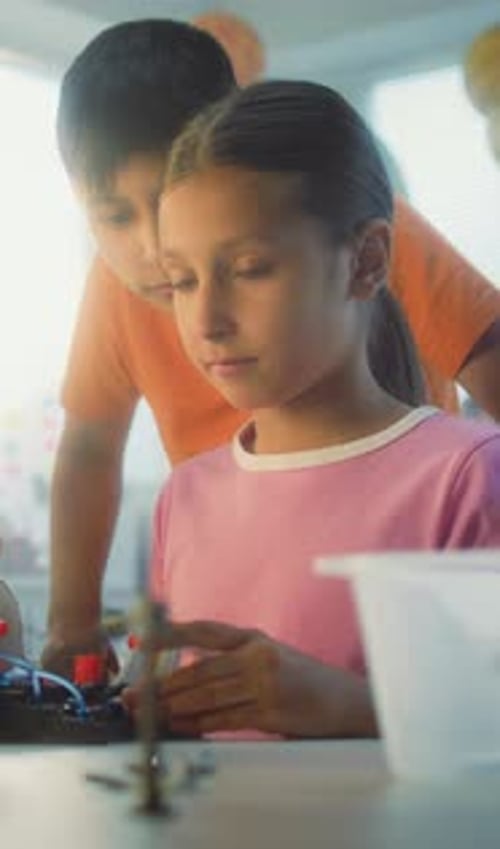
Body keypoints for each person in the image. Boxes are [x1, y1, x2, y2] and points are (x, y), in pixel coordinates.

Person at [43, 18, 500, 675]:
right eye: (116, 217)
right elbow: (88, 447)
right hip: (238, 560)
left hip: (406, 558)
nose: (148, 246)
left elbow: (487, 346)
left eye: (251, 267)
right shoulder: (186, 495)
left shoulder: (351, 225)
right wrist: (73, 624)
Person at [122, 80, 500, 739]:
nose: (206, 320)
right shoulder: (184, 496)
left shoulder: (466, 478)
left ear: (367, 260)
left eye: (250, 268)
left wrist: (353, 707)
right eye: (182, 280)